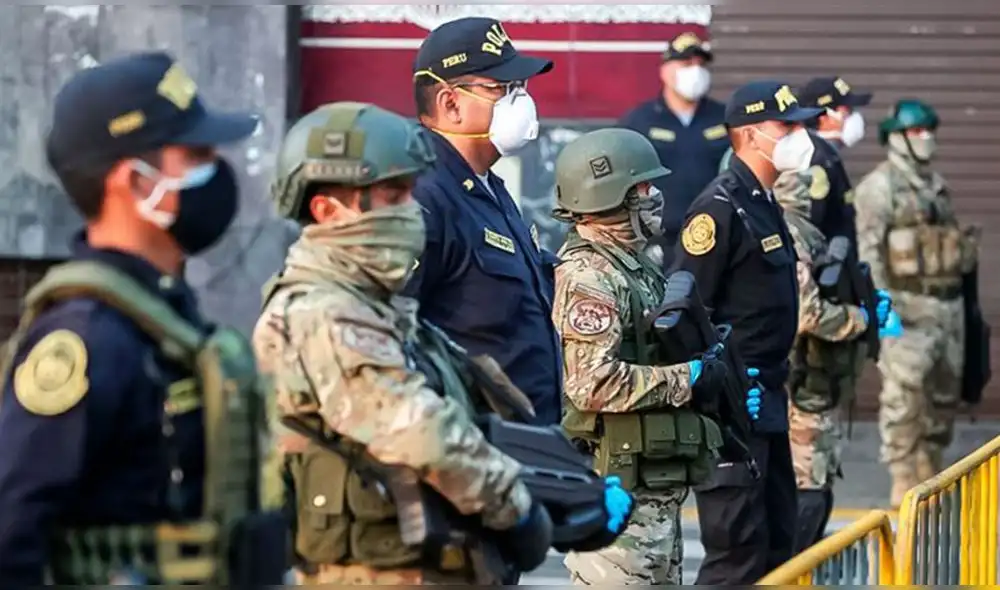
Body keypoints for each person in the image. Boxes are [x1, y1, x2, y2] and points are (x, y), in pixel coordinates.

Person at [0, 51, 280, 585]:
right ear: (134, 183)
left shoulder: (164, 317)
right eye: (195, 155)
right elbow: (11, 526)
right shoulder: (87, 338)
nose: (218, 171)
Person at [254, 101, 562, 585]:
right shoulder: (323, 312)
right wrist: (518, 509)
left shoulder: (382, 308)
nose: (411, 211)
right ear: (327, 210)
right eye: (393, 196)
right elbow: (421, 432)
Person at [551, 127, 761, 584]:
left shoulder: (635, 263)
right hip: (619, 497)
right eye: (643, 187)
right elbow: (591, 383)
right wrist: (689, 377)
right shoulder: (589, 276)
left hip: (655, 491)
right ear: (610, 195)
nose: (654, 196)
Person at [669, 80, 821, 584]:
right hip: (734, 407)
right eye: (787, 126)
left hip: (768, 398)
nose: (799, 135)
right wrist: (716, 390)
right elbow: (687, 310)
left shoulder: (762, 200)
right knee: (736, 554)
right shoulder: (719, 207)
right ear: (752, 134)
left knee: (779, 545)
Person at [405, 17, 563, 425]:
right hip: (475, 443)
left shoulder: (487, 187)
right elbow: (391, 338)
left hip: (529, 440)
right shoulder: (424, 197)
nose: (520, 100)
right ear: (450, 104)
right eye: (501, 88)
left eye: (520, 87)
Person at [854, 99, 980, 506]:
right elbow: (869, 253)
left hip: (946, 307)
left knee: (943, 397)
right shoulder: (879, 187)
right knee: (904, 398)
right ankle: (903, 477)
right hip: (907, 309)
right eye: (916, 131)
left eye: (929, 130)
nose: (926, 137)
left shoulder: (934, 185)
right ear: (895, 137)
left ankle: (930, 471)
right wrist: (882, 306)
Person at [772, 167, 900, 551]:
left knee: (816, 479)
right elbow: (807, 314)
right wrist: (859, 319)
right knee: (807, 479)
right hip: (798, 379)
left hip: (811, 377)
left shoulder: (798, 230)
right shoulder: (790, 234)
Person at [619, 31, 728, 251]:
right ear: (665, 71)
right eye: (686, 64)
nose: (696, 71)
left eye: (700, 65)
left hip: (714, 236)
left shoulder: (723, 118)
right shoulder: (640, 121)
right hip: (659, 241)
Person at [796, 76, 875, 245]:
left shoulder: (828, 157)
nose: (854, 117)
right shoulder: (813, 160)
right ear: (823, 117)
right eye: (847, 111)